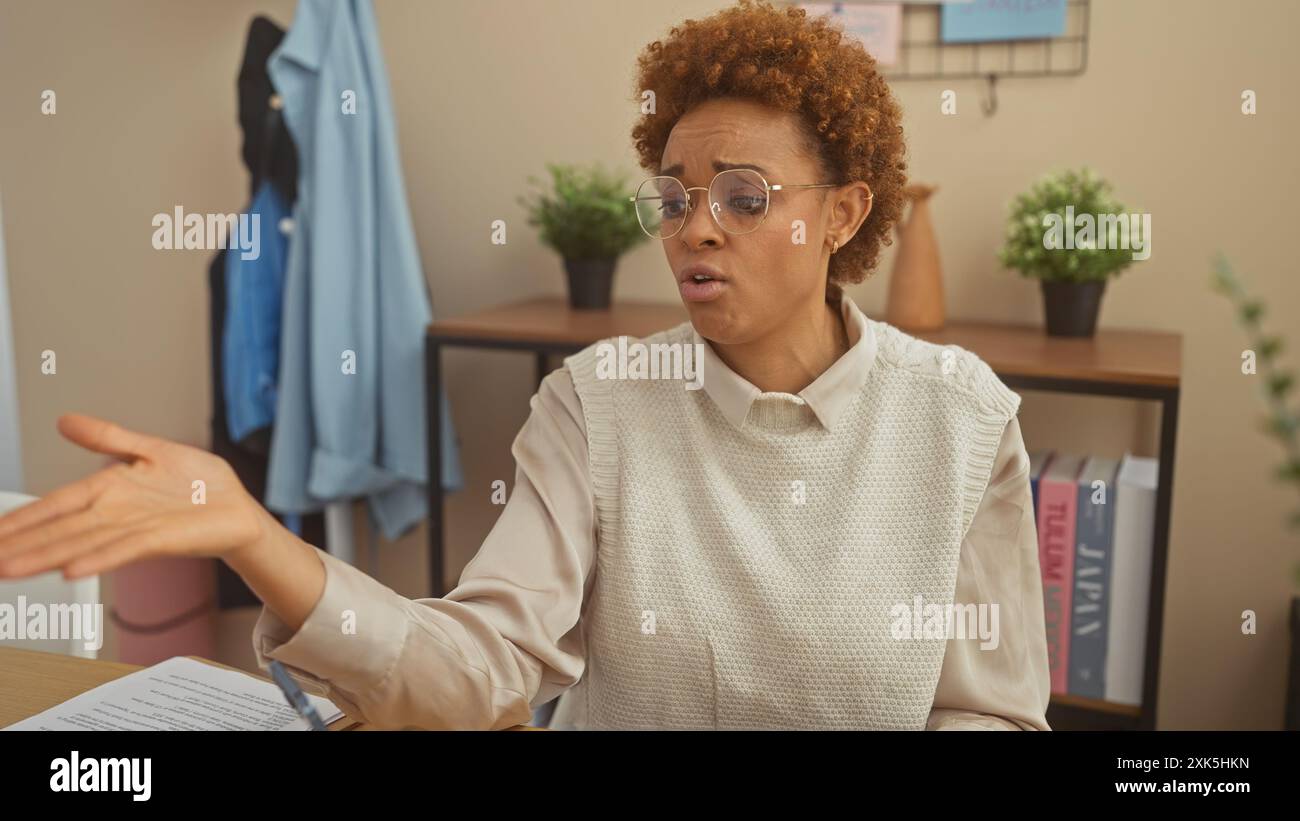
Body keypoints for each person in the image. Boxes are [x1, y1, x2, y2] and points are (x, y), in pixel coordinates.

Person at [0, 0, 1049, 730]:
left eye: (741, 194)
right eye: (673, 197)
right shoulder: (597, 406)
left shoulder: (958, 423)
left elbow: (988, 709)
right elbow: (479, 667)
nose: (695, 229)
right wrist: (255, 533)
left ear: (844, 213)